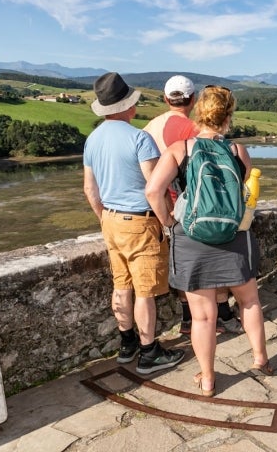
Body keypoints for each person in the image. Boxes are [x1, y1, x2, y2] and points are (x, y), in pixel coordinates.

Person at [145, 85, 271, 397]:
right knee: (250, 301)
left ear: (200, 112)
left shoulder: (179, 149)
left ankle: (208, 378)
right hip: (233, 236)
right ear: (229, 115)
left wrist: (169, 222)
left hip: (192, 237)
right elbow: (240, 192)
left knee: (203, 316)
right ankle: (261, 359)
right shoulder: (238, 151)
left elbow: (152, 191)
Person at [83, 72, 185, 375]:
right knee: (144, 291)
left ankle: (126, 344)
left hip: (111, 221)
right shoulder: (139, 138)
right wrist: (166, 219)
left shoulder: (92, 139)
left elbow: (90, 190)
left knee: (121, 284)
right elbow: (155, 187)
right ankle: (149, 352)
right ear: (127, 106)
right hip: (140, 222)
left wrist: (105, 218)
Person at [144, 75, 244, 336]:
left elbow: (153, 184)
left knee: (185, 272)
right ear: (193, 100)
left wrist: (165, 218)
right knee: (212, 268)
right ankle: (221, 315)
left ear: (166, 99)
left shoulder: (152, 126)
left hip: (169, 208)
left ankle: (188, 319)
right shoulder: (191, 130)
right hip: (197, 210)